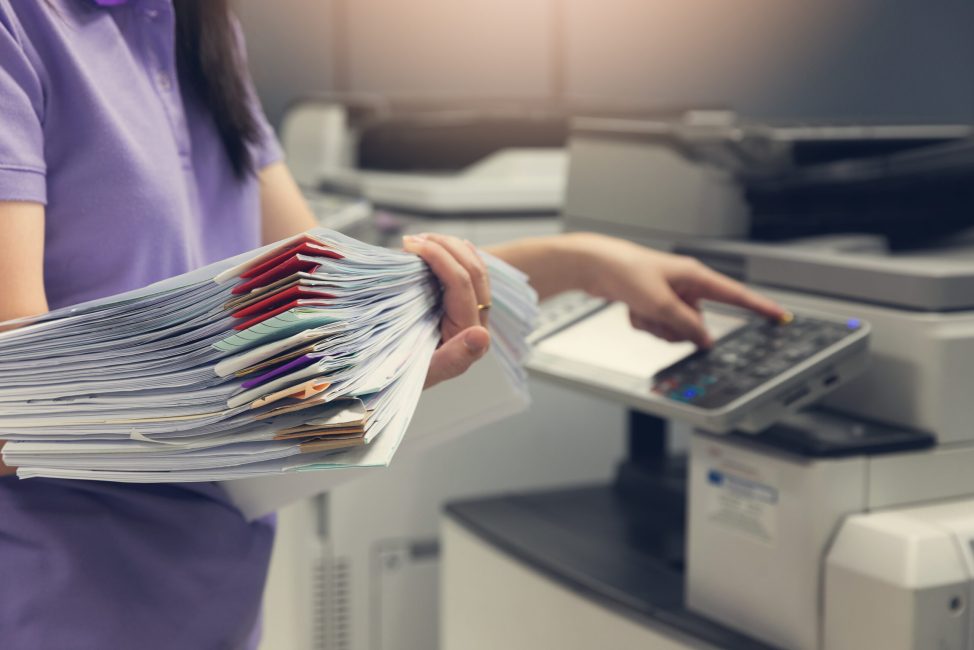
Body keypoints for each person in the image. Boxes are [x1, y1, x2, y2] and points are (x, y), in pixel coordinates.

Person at [0, 1, 784, 647]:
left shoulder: (202, 30)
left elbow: (332, 301)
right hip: (66, 600)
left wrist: (580, 262)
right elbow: (18, 404)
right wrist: (321, 386)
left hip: (216, 593)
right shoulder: (21, 27)